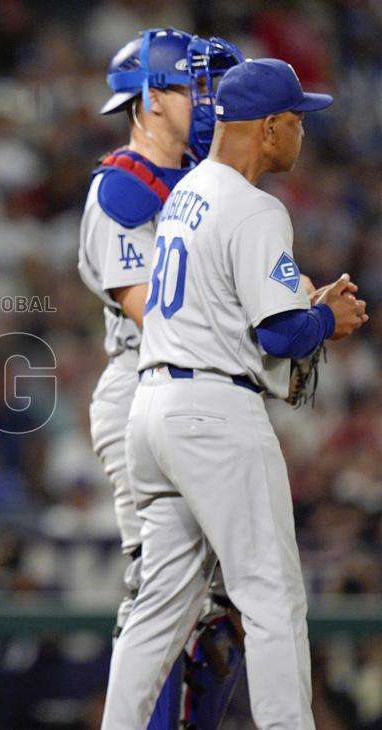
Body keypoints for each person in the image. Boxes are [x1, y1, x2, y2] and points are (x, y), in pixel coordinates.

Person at [102, 59, 368, 728]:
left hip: (153, 411)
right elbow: (280, 335)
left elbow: (229, 307)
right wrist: (325, 318)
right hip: (212, 415)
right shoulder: (254, 206)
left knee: (159, 608)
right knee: (272, 596)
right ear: (271, 127)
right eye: (298, 121)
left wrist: (300, 304)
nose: (303, 135)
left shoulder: (188, 191)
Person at [77, 28, 246, 727]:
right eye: (190, 85)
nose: (207, 99)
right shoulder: (121, 189)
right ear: (147, 99)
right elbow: (154, 312)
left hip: (196, 387)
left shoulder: (199, 183)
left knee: (214, 619)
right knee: (164, 603)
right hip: (144, 385)